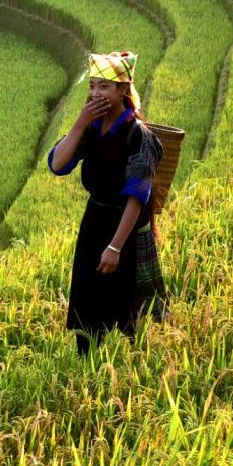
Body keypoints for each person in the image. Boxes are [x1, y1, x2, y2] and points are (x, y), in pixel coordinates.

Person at [48, 51, 166, 354]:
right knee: (87, 301)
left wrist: (115, 247)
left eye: (104, 86)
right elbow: (58, 165)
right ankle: (86, 363)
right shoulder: (91, 128)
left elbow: (137, 196)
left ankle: (126, 369)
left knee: (125, 307)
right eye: (93, 85)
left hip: (123, 229)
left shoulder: (138, 135)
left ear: (123, 90)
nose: (95, 93)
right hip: (94, 221)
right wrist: (79, 123)